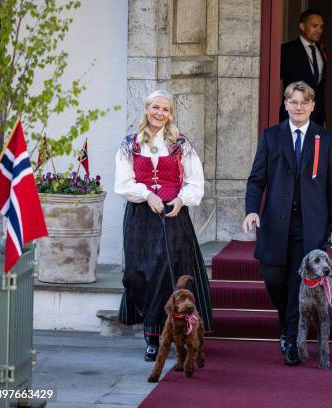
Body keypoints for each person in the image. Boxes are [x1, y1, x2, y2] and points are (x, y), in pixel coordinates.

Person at [243, 81, 332, 365]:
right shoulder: (271, 136)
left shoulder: (325, 139)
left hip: (311, 225)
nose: (299, 106)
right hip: (275, 223)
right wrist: (252, 210)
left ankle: (291, 339)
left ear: (312, 105)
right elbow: (256, 179)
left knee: (296, 280)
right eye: (293, 101)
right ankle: (286, 323)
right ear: (285, 104)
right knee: (274, 278)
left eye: (304, 102)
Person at [114, 90, 212, 362]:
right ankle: (150, 329)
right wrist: (147, 194)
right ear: (146, 109)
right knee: (142, 272)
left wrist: (181, 199)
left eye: (165, 109)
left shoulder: (181, 144)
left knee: (170, 270)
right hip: (141, 218)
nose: (159, 113)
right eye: (155, 107)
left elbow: (196, 180)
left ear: (171, 114)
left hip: (173, 216)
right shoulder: (130, 144)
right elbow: (122, 183)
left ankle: (160, 336)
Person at [280, 9, 327, 125]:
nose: (319, 30)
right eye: (314, 26)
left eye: (321, 27)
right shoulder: (286, 50)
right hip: (293, 114)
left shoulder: (322, 50)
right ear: (302, 26)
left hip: (317, 117)